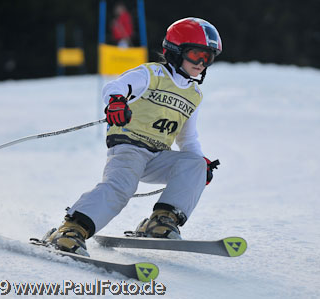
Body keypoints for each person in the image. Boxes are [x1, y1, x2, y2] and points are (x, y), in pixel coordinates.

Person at [44, 17, 222, 256]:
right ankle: (71, 230)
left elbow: (188, 140)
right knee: (121, 188)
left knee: (195, 163)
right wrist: (117, 103)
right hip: (129, 148)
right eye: (196, 55)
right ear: (176, 51)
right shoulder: (153, 73)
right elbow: (114, 87)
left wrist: (201, 166)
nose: (201, 63)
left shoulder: (194, 94)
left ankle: (162, 221)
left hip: (158, 155)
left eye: (208, 57)